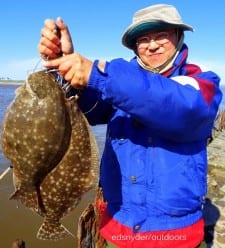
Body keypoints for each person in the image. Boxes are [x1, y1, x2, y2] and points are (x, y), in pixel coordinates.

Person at [38, 4, 222, 248]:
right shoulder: (120, 80)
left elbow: (183, 107)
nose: (152, 45)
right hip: (118, 228)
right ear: (135, 47)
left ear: (179, 36)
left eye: (161, 35)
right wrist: (64, 72)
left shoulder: (201, 80)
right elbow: (89, 107)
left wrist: (97, 75)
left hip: (177, 234)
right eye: (143, 39)